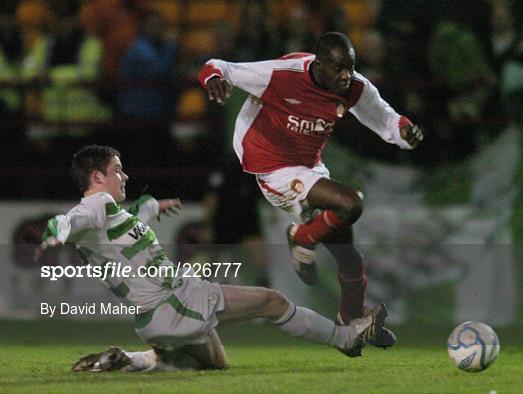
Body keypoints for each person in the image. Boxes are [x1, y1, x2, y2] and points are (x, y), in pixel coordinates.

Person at [37, 145, 388, 372]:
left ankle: (132, 359)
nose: (124, 175)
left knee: (215, 363)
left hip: (157, 316)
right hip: (173, 303)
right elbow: (71, 219)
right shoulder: (95, 207)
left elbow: (120, 224)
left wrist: (149, 207)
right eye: (117, 169)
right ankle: (346, 338)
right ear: (97, 177)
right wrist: (58, 229)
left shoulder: (109, 215)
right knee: (272, 301)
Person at [198, 32, 424, 347]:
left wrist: (405, 132)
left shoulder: (354, 87)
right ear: (319, 65)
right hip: (272, 167)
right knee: (351, 203)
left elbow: (386, 120)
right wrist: (212, 79)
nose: (346, 75)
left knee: (348, 256)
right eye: (338, 69)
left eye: (350, 67)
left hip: (309, 169)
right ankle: (301, 237)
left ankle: (350, 322)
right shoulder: (281, 74)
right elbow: (217, 65)